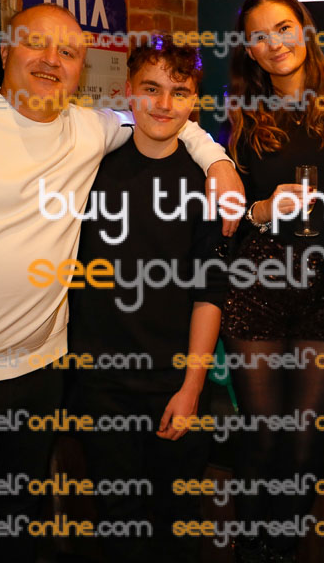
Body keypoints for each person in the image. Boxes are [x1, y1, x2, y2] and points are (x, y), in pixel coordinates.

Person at [0, 4, 241, 562]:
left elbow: (167, 118)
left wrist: (217, 161)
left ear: (81, 69)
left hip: (39, 376)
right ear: (5, 49)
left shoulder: (88, 129)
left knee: (19, 534)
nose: (52, 60)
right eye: (36, 44)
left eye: (68, 52)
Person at [221, 0, 324, 562]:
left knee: (307, 438)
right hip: (258, 283)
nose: (275, 43)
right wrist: (263, 210)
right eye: (259, 36)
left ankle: (283, 548)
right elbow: (228, 219)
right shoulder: (240, 117)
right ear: (249, 50)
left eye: (283, 28)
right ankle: (251, 548)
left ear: (304, 30)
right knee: (263, 436)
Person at [67, 34, 227, 563]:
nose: (163, 103)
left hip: (174, 383)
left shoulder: (207, 183)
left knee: (175, 526)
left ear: (194, 100)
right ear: (128, 90)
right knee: (117, 526)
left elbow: (209, 292)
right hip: (101, 384)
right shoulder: (90, 168)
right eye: (151, 88)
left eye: (179, 92)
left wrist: (191, 388)